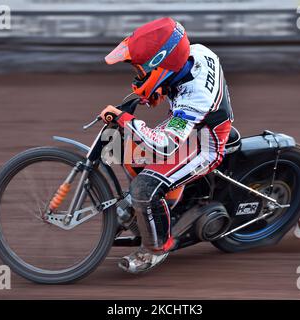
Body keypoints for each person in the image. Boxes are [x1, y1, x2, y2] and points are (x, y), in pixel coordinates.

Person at [100, 17, 234, 274]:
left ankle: (156, 249)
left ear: (162, 64)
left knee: (144, 188)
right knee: (117, 148)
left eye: (141, 70)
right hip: (191, 128)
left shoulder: (195, 97)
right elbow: (178, 80)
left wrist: (125, 119)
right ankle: (160, 207)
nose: (138, 75)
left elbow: (165, 146)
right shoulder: (197, 52)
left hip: (204, 145)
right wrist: (162, 89)